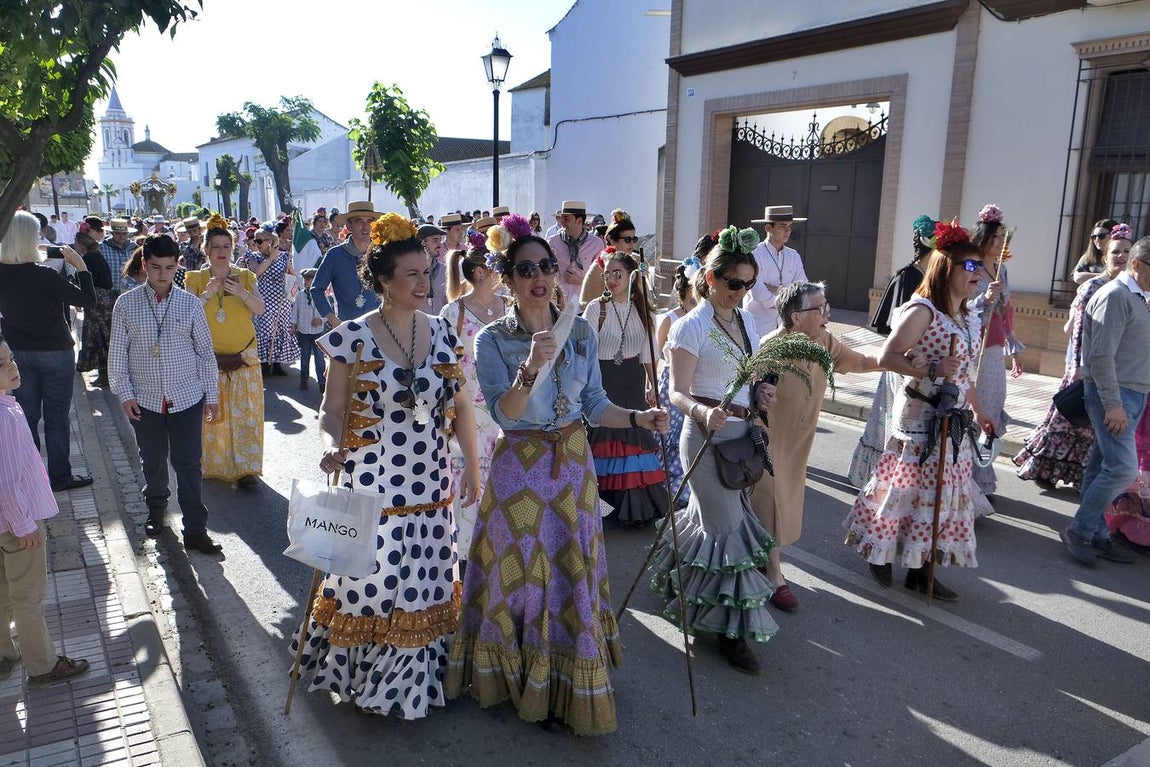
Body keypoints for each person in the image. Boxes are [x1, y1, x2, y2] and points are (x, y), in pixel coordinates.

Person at [446, 233, 667, 735]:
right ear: (508, 280)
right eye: (526, 270)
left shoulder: (582, 334)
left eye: (546, 266)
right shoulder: (492, 340)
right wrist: (530, 369)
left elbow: (594, 405)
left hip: (571, 466)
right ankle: (520, 679)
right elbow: (504, 412)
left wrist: (638, 417)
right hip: (518, 469)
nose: (539, 277)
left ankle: (562, 677)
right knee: (522, 579)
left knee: (567, 572)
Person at [291, 213, 480, 719]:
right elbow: (331, 412)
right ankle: (372, 679)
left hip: (432, 482)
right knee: (374, 581)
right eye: (413, 274)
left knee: (424, 580)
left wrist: (474, 470)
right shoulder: (352, 337)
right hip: (373, 481)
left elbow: (461, 407)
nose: (425, 282)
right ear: (383, 282)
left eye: (428, 271)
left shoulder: (443, 332)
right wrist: (333, 445)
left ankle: (412, 682)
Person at [649, 227, 780, 675]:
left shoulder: (744, 321)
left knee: (713, 525)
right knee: (728, 532)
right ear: (710, 279)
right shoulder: (690, 326)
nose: (741, 292)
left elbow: (748, 375)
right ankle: (732, 633)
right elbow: (677, 393)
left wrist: (760, 392)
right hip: (703, 443)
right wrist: (704, 414)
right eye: (733, 284)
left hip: (739, 441)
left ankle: (681, 588)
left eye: (747, 284)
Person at [844, 222, 994, 601]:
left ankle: (920, 568)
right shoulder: (922, 310)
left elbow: (964, 373)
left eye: (981, 267)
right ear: (948, 269)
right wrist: (928, 369)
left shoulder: (966, 315)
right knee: (904, 493)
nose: (979, 274)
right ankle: (879, 555)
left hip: (952, 421)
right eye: (971, 267)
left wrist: (979, 411)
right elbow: (886, 356)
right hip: (917, 417)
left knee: (939, 496)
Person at [751, 282, 888, 612]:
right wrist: (760, 391)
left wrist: (899, 360)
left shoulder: (824, 342)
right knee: (769, 503)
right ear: (796, 317)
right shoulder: (773, 346)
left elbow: (860, 362)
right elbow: (754, 389)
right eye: (820, 309)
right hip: (767, 441)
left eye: (826, 307)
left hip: (798, 444)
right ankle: (775, 577)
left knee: (781, 504)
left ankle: (756, 558)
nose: (827, 314)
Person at [108, 235, 221, 553]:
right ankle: (156, 510)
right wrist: (124, 393)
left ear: (177, 267)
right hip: (144, 400)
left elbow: (204, 353)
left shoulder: (190, 304)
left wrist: (211, 396)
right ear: (144, 265)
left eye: (169, 268)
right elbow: (116, 355)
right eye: (156, 267)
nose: (162, 275)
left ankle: (195, 530)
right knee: (153, 462)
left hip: (187, 396)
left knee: (189, 464)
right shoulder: (126, 304)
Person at [0, 335, 90, 686]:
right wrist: (24, 526)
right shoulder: (5, 418)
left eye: (10, 358)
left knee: (3, 592)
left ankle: (4, 653)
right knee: (27, 596)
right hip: (15, 523)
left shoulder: (9, 405)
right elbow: (6, 482)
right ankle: (42, 664)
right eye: (2, 365)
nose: (13, 366)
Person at [1014, 225, 1133, 490]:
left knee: (1092, 430)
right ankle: (1045, 469)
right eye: (1116, 251)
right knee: (1066, 420)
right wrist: (1078, 366)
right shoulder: (1093, 287)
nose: (1121, 256)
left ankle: (1082, 478)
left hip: (1112, 371)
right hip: (1084, 367)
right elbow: (1079, 329)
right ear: (1105, 255)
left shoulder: (1129, 289)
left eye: (1127, 251)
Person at [1060, 235, 1150, 567]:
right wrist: (1112, 404)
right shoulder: (1115, 296)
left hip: (1134, 394)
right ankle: (1080, 529)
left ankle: (1097, 533)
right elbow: (1099, 356)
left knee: (1101, 466)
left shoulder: (1141, 296)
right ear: (1137, 265)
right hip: (1114, 395)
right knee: (1123, 468)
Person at [0, 211, 96, 491]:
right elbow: (87, 300)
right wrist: (79, 265)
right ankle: (60, 476)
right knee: (56, 418)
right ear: (29, 240)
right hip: (55, 351)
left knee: (26, 417)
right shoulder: (43, 275)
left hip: (17, 352)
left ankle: (29, 477)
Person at [848, 215, 937, 487]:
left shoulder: (934, 281)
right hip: (901, 362)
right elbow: (896, 323)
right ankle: (880, 478)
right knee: (892, 421)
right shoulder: (907, 276)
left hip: (920, 364)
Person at [582, 251, 668, 525]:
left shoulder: (644, 311)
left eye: (617, 273)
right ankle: (600, 507)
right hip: (603, 381)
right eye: (607, 274)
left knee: (634, 438)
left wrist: (652, 385)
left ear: (633, 276)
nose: (611, 279)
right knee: (602, 440)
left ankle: (636, 509)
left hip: (632, 383)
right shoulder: (596, 308)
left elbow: (649, 356)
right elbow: (585, 353)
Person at [183, 214, 266, 488]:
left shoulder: (245, 276)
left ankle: (246, 470)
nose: (221, 252)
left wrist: (242, 293)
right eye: (216, 246)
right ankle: (213, 465)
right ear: (206, 250)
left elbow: (259, 308)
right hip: (208, 359)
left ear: (233, 249)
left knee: (246, 416)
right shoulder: (194, 278)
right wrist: (206, 294)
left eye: (226, 247)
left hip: (244, 355)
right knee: (212, 418)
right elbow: (185, 316)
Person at [439, 243, 506, 565]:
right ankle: (468, 551)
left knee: (505, 476)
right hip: (469, 410)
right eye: (498, 268)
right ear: (481, 272)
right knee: (470, 474)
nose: (504, 276)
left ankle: (503, 547)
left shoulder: (510, 307)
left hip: (508, 406)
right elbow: (442, 367)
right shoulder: (453, 313)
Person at [968, 204, 1021, 501]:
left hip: (995, 346)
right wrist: (983, 298)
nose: (1001, 242)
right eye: (997, 236)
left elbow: (1006, 309)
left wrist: (1013, 345)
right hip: (975, 345)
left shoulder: (1002, 269)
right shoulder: (972, 265)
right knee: (978, 409)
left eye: (1003, 236)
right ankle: (970, 479)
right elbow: (962, 302)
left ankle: (981, 475)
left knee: (993, 403)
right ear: (985, 236)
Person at [655, 249, 703, 509]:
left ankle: (683, 488)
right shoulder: (670, 319)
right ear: (682, 296)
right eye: (692, 299)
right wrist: (650, 385)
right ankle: (661, 487)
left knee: (687, 438)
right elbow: (655, 356)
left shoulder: (704, 321)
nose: (696, 304)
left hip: (694, 386)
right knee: (668, 436)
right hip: (669, 385)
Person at [237, 223, 299, 376]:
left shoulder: (284, 256)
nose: (257, 244)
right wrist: (271, 258)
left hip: (281, 302)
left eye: (260, 241)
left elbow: (293, 277)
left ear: (270, 241)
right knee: (265, 330)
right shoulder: (252, 256)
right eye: (255, 241)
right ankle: (264, 363)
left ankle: (277, 363)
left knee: (280, 330)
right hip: (263, 301)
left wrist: (289, 271)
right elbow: (256, 273)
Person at [311, 201, 381, 326]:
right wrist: (333, 320)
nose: (366, 227)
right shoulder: (334, 255)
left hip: (380, 326)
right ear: (349, 226)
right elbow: (316, 289)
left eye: (370, 221)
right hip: (347, 329)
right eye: (360, 221)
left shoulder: (382, 253)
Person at [744, 204, 808, 332]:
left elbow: (803, 289)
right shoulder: (755, 254)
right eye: (783, 226)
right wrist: (789, 296)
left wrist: (774, 288)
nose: (788, 231)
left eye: (790, 226)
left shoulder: (793, 256)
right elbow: (759, 294)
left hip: (786, 328)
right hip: (758, 327)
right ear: (768, 228)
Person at [73, 226, 115, 388]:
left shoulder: (88, 259)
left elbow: (85, 282)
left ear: (81, 245)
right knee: (103, 337)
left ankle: (104, 375)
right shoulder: (97, 256)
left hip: (97, 302)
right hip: (105, 299)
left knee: (98, 338)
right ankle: (104, 374)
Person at [546, 200, 604, 308]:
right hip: (558, 306)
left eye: (566, 219)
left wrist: (581, 281)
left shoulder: (596, 244)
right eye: (562, 218)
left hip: (583, 307)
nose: (562, 222)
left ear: (579, 221)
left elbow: (601, 279)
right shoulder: (553, 242)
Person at [580, 211, 640, 305]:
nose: (632, 244)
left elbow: (645, 300)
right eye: (627, 240)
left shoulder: (638, 262)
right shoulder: (600, 266)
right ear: (612, 241)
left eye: (634, 239)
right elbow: (588, 303)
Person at [290, 268, 327, 392]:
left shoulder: (322, 295)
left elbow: (329, 313)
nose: (305, 282)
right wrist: (293, 325)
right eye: (305, 279)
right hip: (304, 331)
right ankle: (304, 379)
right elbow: (295, 311)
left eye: (308, 280)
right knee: (304, 357)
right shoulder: (300, 295)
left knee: (320, 359)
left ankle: (322, 383)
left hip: (318, 333)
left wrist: (321, 320)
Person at [1073, 218, 1120, 285]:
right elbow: (1077, 277)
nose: (1097, 239)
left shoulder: (1122, 255)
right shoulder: (1088, 256)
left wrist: (1088, 276)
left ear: (1113, 235)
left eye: (1101, 236)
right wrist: (1107, 276)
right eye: (1094, 237)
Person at [419, 222, 448, 315]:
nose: (440, 244)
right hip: (418, 326)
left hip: (441, 326)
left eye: (440, 240)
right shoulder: (411, 273)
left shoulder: (445, 270)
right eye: (435, 240)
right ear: (423, 243)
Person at [100, 219, 135, 292]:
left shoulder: (134, 248)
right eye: (118, 233)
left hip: (130, 291)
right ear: (112, 233)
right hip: (109, 291)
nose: (121, 237)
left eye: (124, 234)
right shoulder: (102, 248)